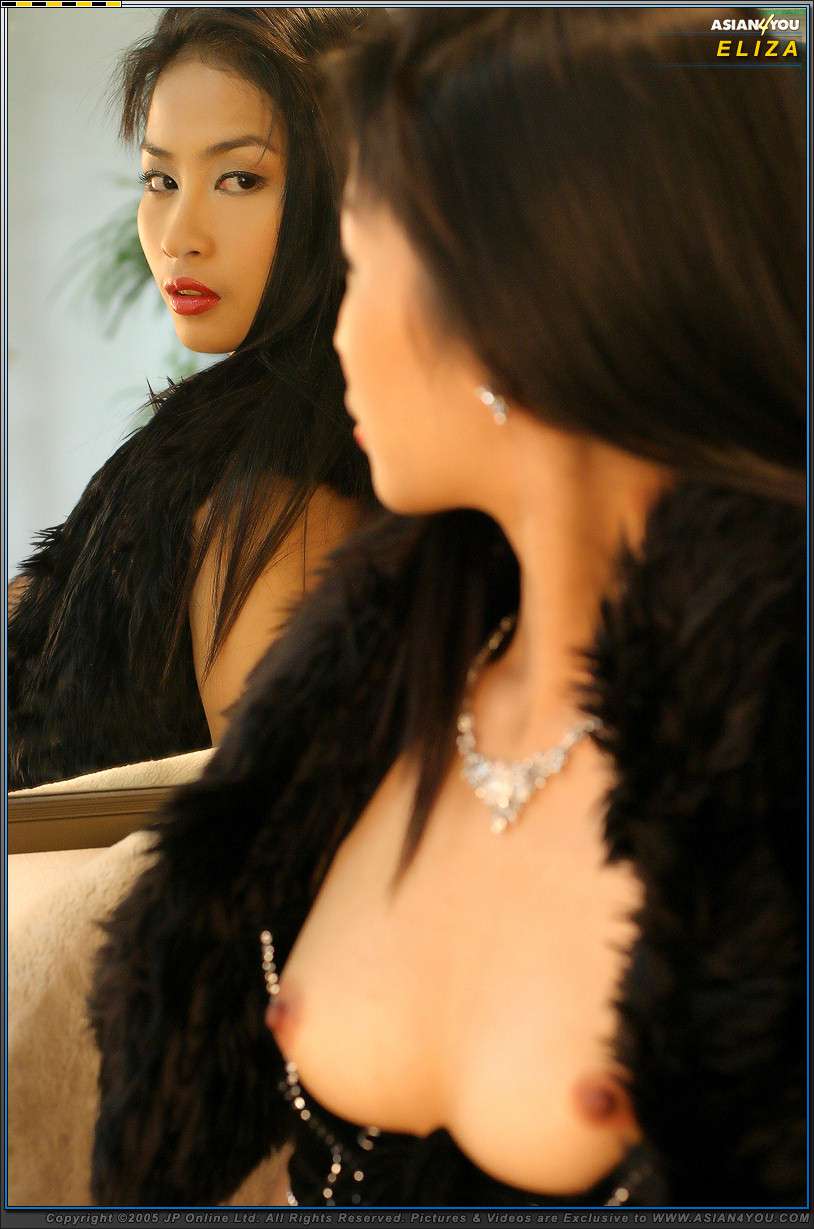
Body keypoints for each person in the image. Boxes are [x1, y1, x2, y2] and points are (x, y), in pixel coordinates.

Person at [88, 8, 805, 1208]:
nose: (339, 331)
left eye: (362, 266)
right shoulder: (370, 678)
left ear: (530, 290)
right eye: (157, 178)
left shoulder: (769, 731)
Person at [8, 7, 375, 789]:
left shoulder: (282, 486)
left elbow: (277, 832)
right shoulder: (213, 449)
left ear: (348, 184)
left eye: (240, 178)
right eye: (161, 180)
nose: (179, 235)